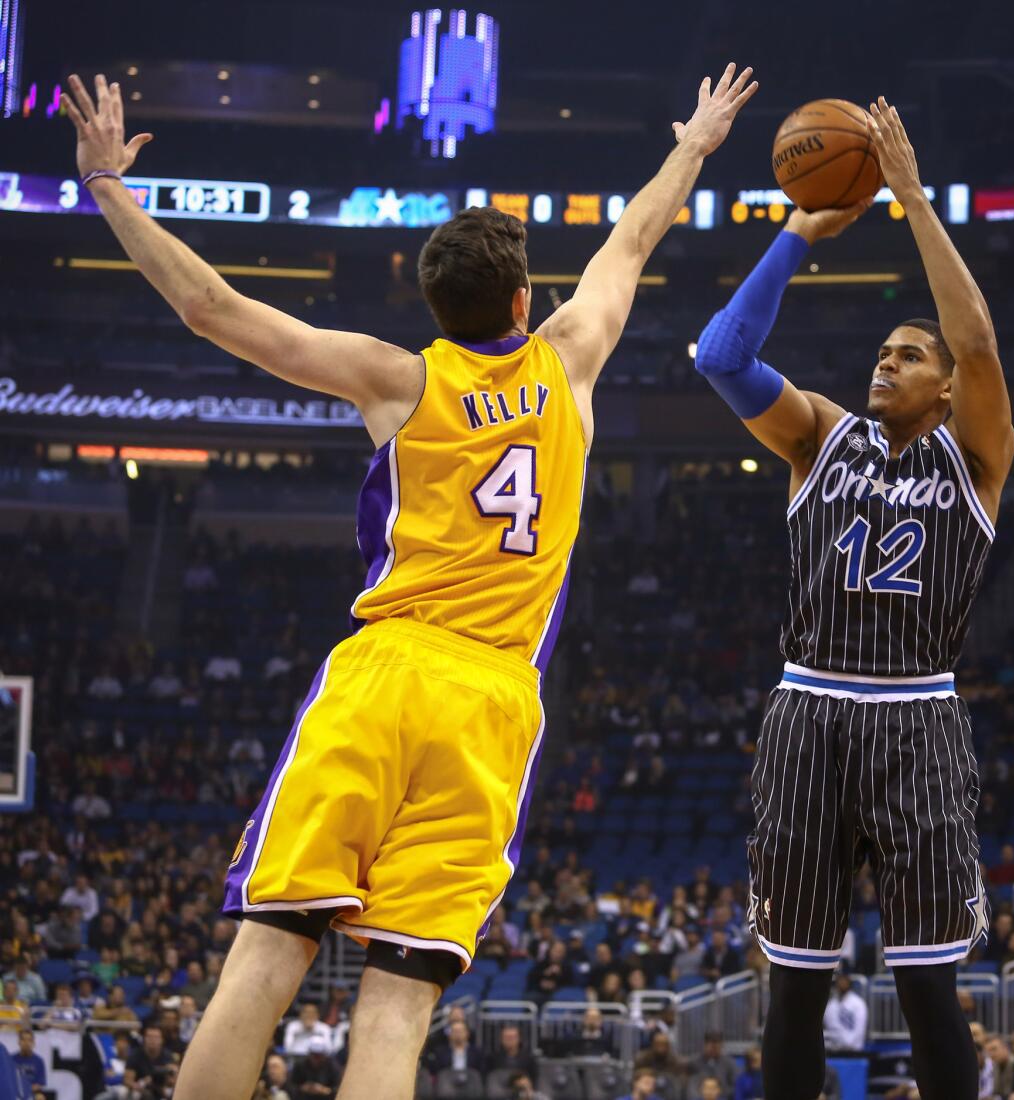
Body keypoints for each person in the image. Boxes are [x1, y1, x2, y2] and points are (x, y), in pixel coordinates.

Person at [62, 59, 756, 1100]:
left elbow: (214, 309)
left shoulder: (400, 378)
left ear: (433, 305)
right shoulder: (571, 356)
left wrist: (110, 185)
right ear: (526, 296)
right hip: (493, 699)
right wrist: (695, 142)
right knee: (397, 1000)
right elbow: (635, 239)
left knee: (268, 954)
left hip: (387, 670)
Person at [695, 97, 1013, 1100]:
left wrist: (911, 198)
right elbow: (721, 359)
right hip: (808, 708)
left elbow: (979, 346)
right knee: (793, 982)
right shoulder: (819, 436)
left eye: (907, 354)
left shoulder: (978, 457)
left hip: (918, 715)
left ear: (946, 388)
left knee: (927, 987)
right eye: (882, 349)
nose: (886, 358)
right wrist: (795, 234)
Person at [823, 969, 868, 1053]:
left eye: (844, 980)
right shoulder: (831, 1005)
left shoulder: (858, 1004)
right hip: (835, 1051)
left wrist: (849, 1044)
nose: (842, 983)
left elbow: (860, 1029)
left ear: (849, 983)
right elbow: (832, 1028)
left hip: (855, 1051)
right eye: (840, 980)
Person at [11, 1029, 46, 1097]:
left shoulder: (39, 1061)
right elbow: (9, 1081)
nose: (26, 1043)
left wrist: (25, 1089)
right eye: (23, 1040)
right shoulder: (11, 1059)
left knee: (40, 1097)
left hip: (31, 1093)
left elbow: (39, 1085)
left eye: (29, 1040)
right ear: (19, 1042)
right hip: (15, 1093)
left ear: (33, 1043)